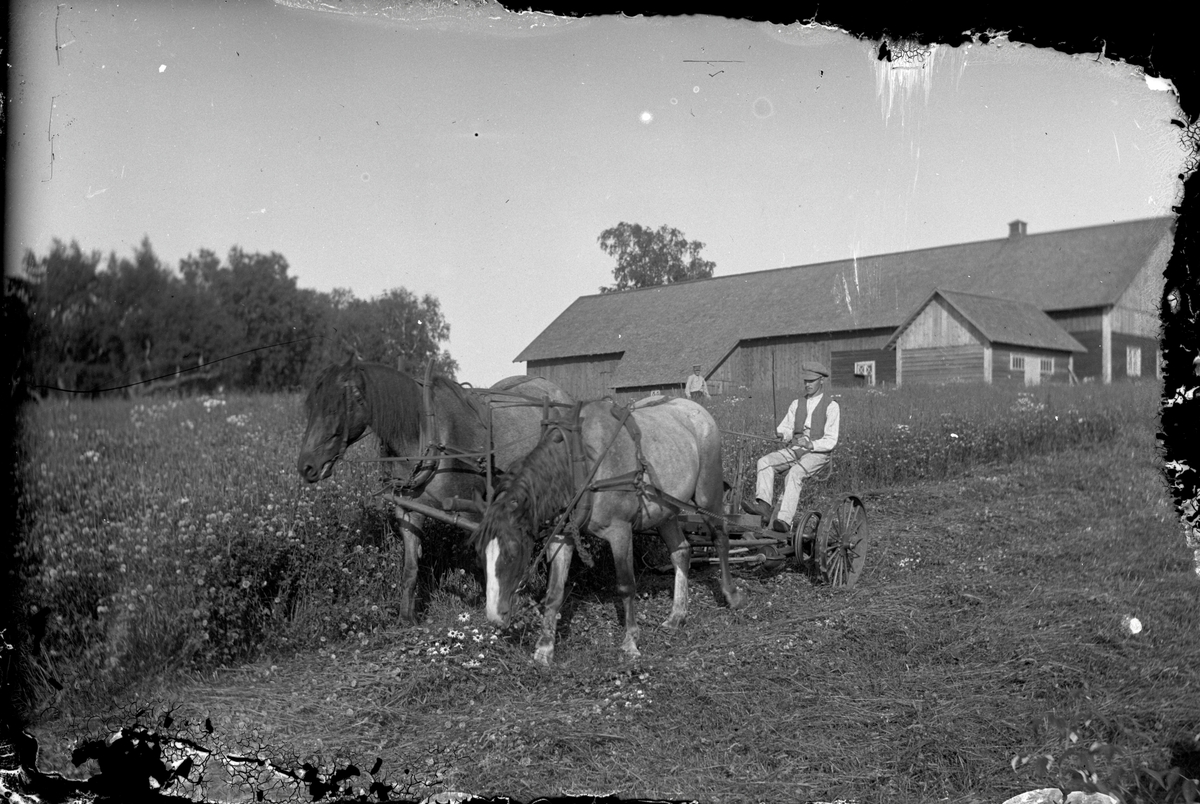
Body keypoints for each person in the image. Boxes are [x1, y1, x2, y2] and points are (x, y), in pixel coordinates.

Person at [742, 360, 839, 532]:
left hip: (818, 454)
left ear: (821, 380)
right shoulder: (796, 404)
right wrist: (781, 434)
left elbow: (831, 440)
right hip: (795, 450)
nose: (807, 384)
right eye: (805, 381)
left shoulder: (831, 406)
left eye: (812, 381)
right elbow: (786, 428)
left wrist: (811, 444)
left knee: (795, 473)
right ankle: (764, 507)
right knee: (764, 462)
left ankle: (784, 521)